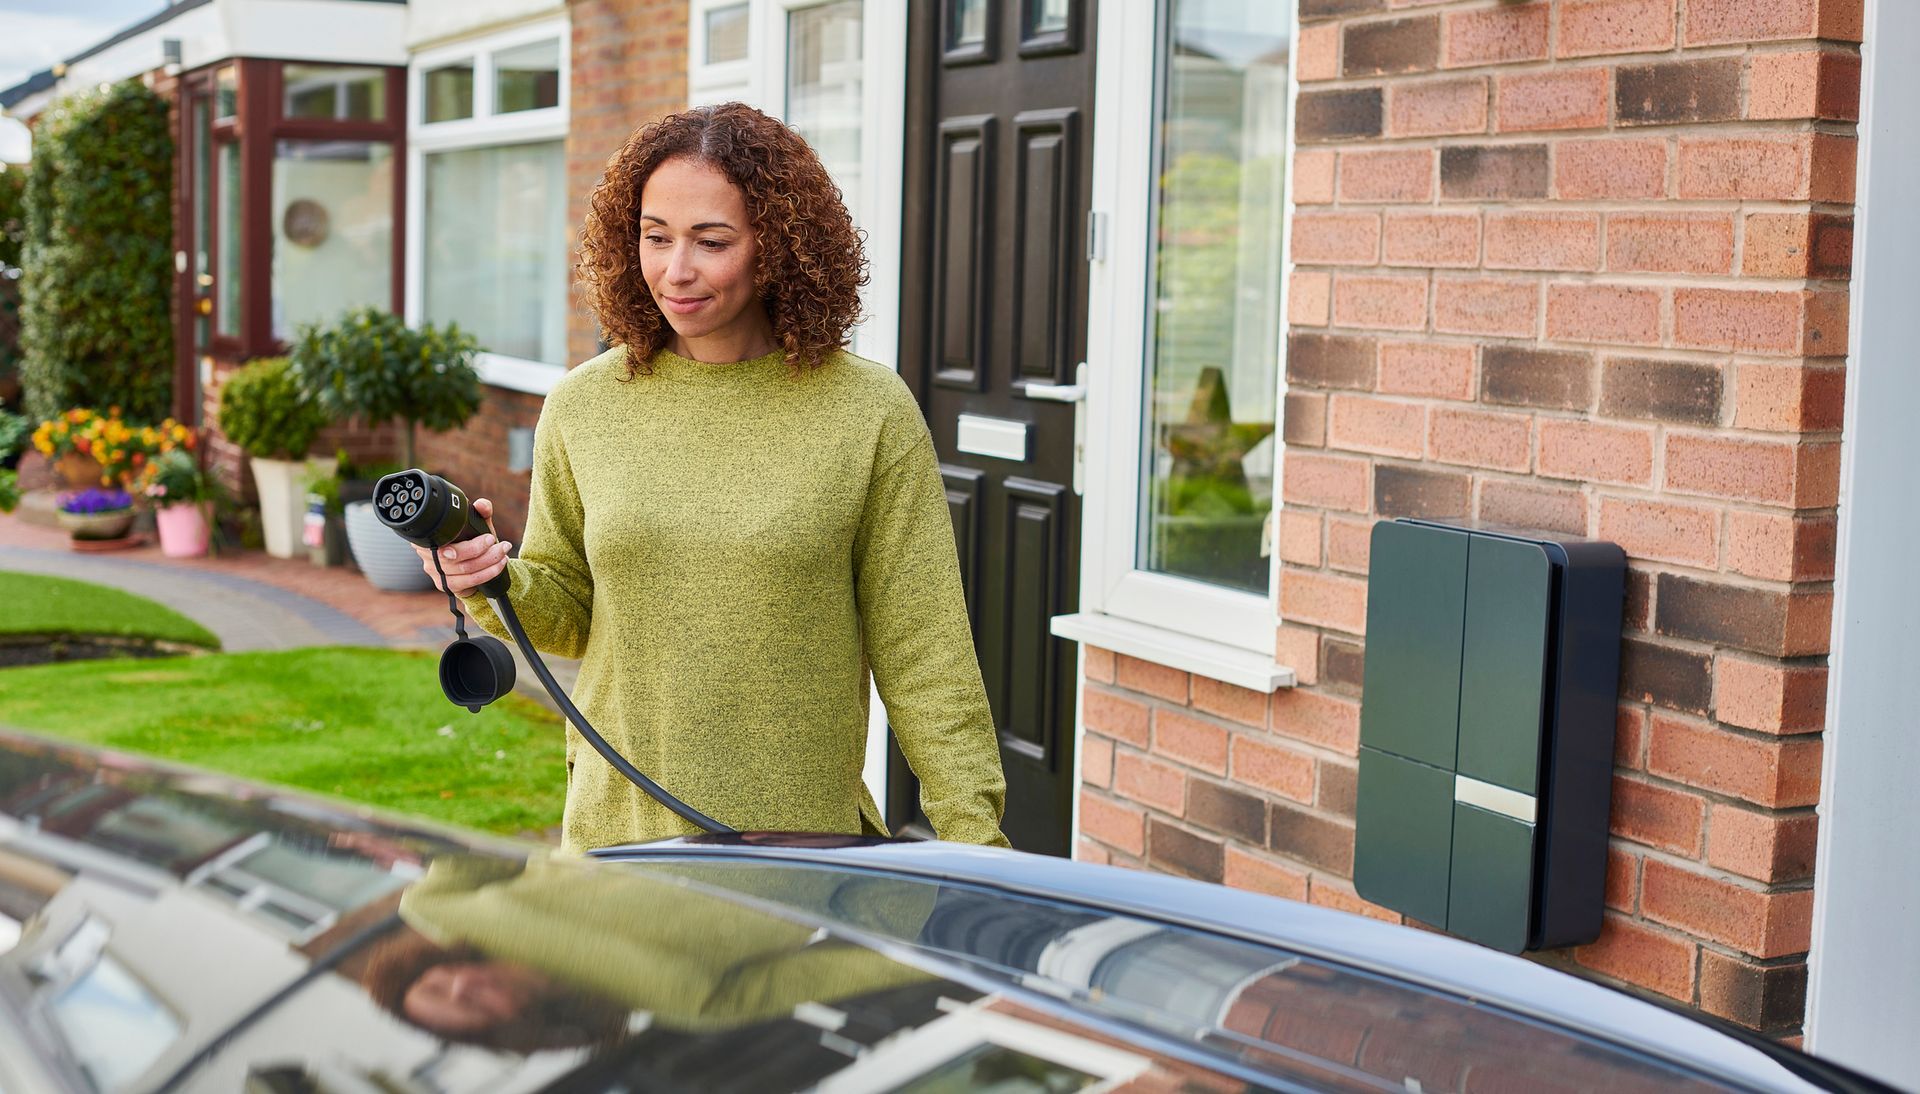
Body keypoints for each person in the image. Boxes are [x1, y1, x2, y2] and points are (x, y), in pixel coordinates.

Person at [414, 103, 1009, 852]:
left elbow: (926, 654)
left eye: (712, 242)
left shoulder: (867, 412)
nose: (675, 271)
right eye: (655, 238)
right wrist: (485, 576)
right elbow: (568, 612)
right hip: (615, 841)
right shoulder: (585, 405)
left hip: (798, 849)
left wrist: (976, 850)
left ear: (781, 248)